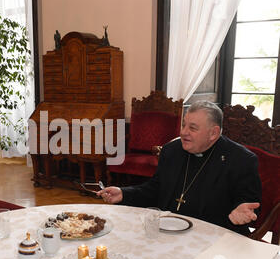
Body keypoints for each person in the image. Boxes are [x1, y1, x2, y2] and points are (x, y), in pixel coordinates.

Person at [98, 101, 261, 236]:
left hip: (213, 238)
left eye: (192, 128)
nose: (183, 132)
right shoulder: (171, 150)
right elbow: (154, 190)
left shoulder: (241, 160)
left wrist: (242, 212)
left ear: (213, 133)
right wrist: (124, 193)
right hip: (167, 232)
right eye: (184, 125)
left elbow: (249, 206)